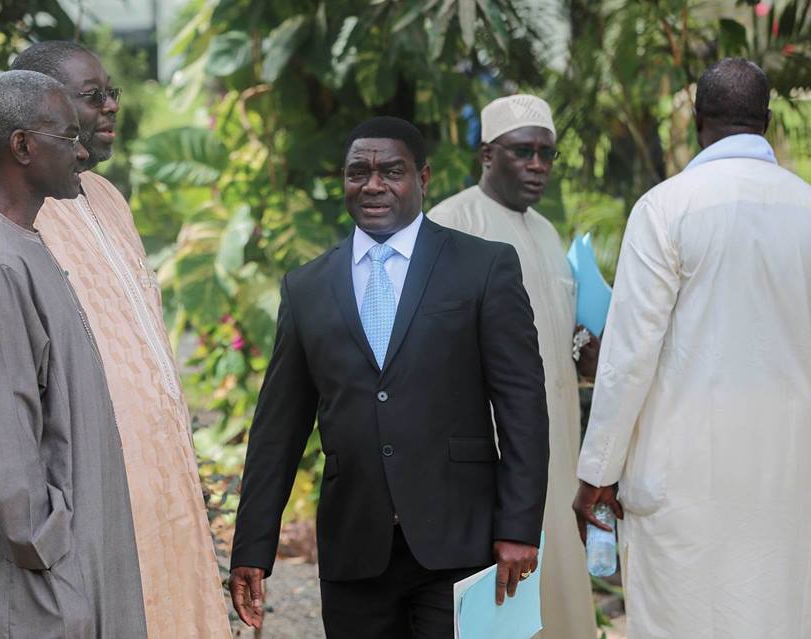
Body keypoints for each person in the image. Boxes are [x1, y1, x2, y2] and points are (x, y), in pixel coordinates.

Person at [0, 42, 231, 638]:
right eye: (92, 97)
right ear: (38, 111)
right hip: (62, 522)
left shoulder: (106, 198)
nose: (111, 106)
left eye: (109, 91)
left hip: (148, 499)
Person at [228, 116, 550, 638]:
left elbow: (523, 408)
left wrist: (518, 527)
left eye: (391, 171)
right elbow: (277, 431)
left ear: (422, 178)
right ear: (344, 180)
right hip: (355, 550)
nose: (373, 185)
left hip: (460, 545)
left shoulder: (483, 267)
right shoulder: (307, 287)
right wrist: (253, 547)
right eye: (359, 171)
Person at [573, 58, 811, 638]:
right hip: (789, 477)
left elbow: (629, 356)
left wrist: (597, 473)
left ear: (700, 122)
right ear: (768, 121)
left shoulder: (665, 208)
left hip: (683, 481)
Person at [0, 69, 147, 636]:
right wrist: (52, 552)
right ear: (22, 146)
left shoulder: (14, 240)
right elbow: (5, 445)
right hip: (38, 594)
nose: (81, 152)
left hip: (56, 576)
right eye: (66, 137)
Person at [430, 94, 598, 639]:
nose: (538, 166)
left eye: (547, 154)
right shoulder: (449, 224)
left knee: (559, 596)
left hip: (558, 450)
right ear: (486, 154)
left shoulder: (548, 234)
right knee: (496, 609)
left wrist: (582, 344)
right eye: (523, 151)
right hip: (492, 459)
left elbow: (557, 337)